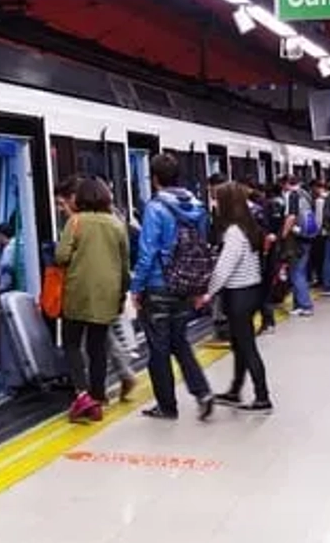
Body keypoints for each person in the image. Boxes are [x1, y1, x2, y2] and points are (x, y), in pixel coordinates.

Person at [129, 153, 215, 421]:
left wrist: (136, 288)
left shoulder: (155, 209)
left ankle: (167, 406)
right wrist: (201, 287)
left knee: (158, 348)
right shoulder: (197, 206)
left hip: (158, 284)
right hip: (186, 284)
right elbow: (203, 246)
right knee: (180, 341)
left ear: (154, 179)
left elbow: (147, 253)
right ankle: (202, 391)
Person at [56, 177, 131, 423]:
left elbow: (61, 255)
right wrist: (122, 294)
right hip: (108, 294)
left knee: (71, 343)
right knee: (97, 347)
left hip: (78, 292)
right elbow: (124, 264)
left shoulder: (75, 222)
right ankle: (99, 396)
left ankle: (82, 393)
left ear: (80, 199)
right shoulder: (116, 225)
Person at [196, 182, 272, 411]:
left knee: (246, 347)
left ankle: (262, 396)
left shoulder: (234, 232)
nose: (215, 204)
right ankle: (235, 390)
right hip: (249, 291)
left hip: (239, 294)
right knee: (240, 345)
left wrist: (208, 293)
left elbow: (224, 268)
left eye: (218, 200)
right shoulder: (247, 227)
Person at [281, 175, 316, 317]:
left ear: (287, 184)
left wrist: (283, 234)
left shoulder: (293, 196)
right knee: (299, 270)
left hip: (298, 238)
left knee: (296, 272)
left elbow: (291, 217)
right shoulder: (306, 194)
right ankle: (298, 305)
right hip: (308, 236)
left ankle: (305, 305)